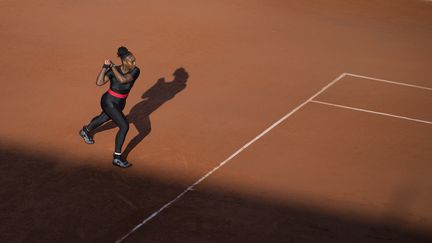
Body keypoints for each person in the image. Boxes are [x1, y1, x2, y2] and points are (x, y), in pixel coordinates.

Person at [79, 46, 140, 168]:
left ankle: (85, 130)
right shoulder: (113, 70)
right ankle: (117, 157)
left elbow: (123, 80)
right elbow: (99, 82)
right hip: (109, 101)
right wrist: (105, 68)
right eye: (131, 61)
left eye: (134, 60)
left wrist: (112, 68)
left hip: (120, 103)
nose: (134, 63)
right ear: (124, 61)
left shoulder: (135, 71)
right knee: (124, 126)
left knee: (103, 118)